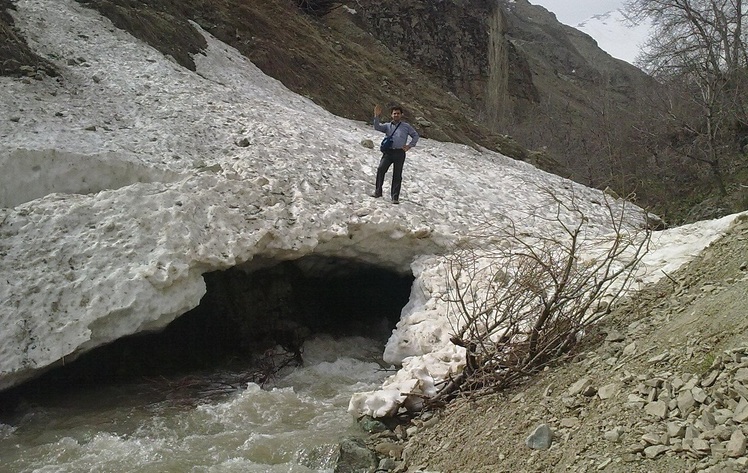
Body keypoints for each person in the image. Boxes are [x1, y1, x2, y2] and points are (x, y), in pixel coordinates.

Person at [371, 104, 419, 204]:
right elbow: (377, 127)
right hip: (388, 152)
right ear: (391, 115)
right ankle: (378, 192)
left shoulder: (406, 126)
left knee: (397, 175)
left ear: (401, 114)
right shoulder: (388, 126)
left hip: (399, 152)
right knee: (381, 169)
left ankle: (395, 197)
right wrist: (376, 116)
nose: (396, 115)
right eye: (394, 113)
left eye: (398, 113)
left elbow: (415, 135)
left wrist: (409, 145)